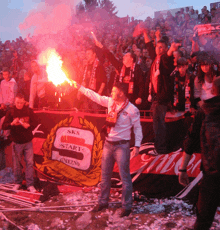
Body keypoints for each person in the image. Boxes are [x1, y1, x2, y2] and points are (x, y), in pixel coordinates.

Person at [73, 81, 143, 217]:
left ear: (121, 93)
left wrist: (138, 145)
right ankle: (103, 202)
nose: (111, 93)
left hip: (122, 146)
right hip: (108, 144)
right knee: (104, 176)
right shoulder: (110, 102)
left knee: (125, 177)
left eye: (113, 90)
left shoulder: (132, 109)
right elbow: (94, 96)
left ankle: (127, 206)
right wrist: (80, 87)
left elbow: (138, 128)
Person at [178, 76, 220, 230]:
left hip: (210, 173)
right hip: (211, 174)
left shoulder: (204, 110)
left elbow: (191, 139)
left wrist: (183, 168)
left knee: (202, 222)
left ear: (213, 91)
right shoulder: (204, 110)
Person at [141, 28, 180, 154]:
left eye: (161, 47)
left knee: (159, 125)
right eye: (157, 47)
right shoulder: (155, 58)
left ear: (165, 49)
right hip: (155, 97)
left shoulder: (163, 59)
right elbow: (150, 47)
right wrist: (145, 33)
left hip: (161, 97)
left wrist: (170, 50)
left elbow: (166, 60)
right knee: (157, 125)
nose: (158, 49)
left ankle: (160, 149)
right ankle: (160, 148)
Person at [94, 39, 145, 107]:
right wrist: (102, 47)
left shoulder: (137, 69)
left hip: (133, 100)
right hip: (121, 99)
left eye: (126, 56)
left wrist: (140, 97)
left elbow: (141, 84)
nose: (123, 57)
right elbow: (111, 57)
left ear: (131, 59)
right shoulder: (121, 67)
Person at [2, 93, 37, 193]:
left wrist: (29, 125)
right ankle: (18, 182)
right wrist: (12, 123)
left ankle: (30, 184)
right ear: (14, 102)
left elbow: (35, 123)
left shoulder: (29, 111)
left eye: (21, 103)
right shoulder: (11, 112)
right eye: (17, 103)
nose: (19, 105)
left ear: (24, 102)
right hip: (16, 142)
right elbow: (4, 126)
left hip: (28, 141)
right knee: (17, 164)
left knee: (29, 163)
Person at [77, 47, 107, 111]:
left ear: (94, 54)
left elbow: (104, 81)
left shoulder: (99, 65)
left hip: (96, 95)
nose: (87, 55)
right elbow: (84, 80)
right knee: (87, 114)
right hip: (87, 94)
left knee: (96, 113)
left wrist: (99, 94)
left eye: (89, 54)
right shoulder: (86, 66)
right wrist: (80, 91)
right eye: (86, 54)